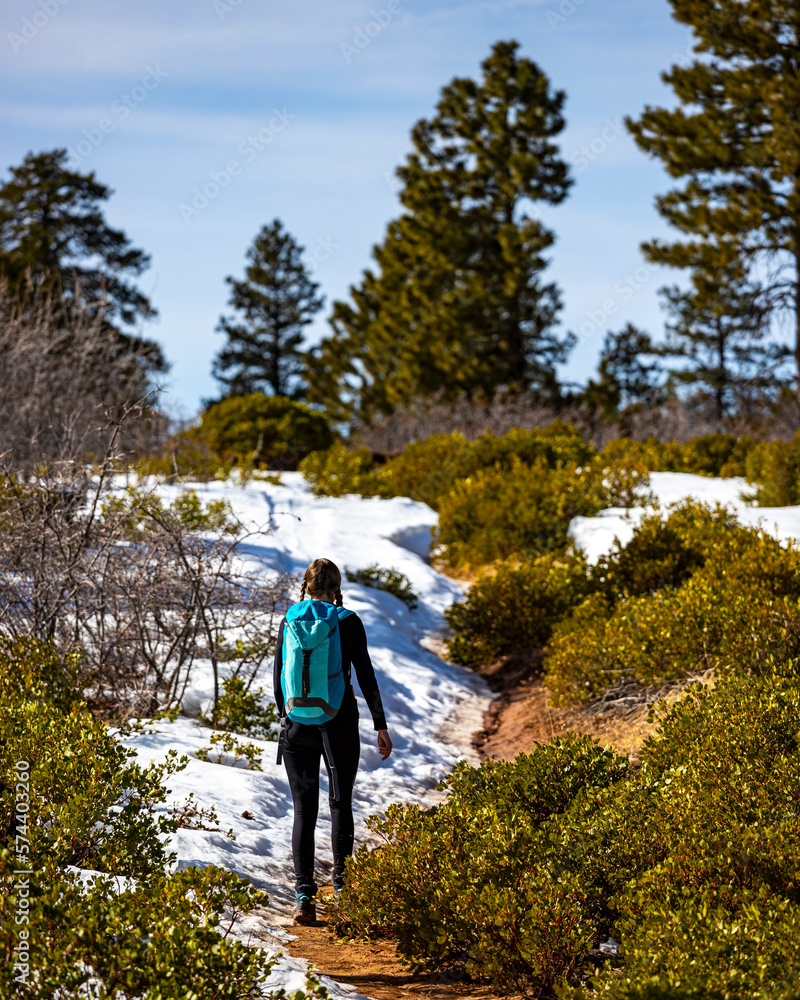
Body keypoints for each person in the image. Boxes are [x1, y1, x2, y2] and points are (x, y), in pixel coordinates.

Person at [273, 557, 393, 925]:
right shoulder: (348, 621)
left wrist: (287, 718)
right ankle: (343, 891)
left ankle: (303, 898)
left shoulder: (290, 619)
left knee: (303, 812)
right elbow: (366, 675)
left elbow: (277, 676)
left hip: (296, 727)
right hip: (339, 721)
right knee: (340, 803)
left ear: (306, 587)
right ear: (337, 589)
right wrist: (380, 725)